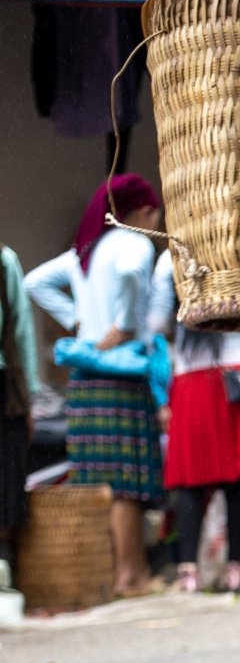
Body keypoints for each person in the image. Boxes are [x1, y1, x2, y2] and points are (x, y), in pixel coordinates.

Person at [27, 175, 167, 597]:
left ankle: (124, 572)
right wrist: (123, 325)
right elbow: (130, 273)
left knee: (103, 480)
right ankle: (130, 576)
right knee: (126, 482)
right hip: (122, 376)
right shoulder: (134, 243)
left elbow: (35, 282)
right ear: (141, 211)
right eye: (155, 213)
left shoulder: (84, 251)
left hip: (86, 376)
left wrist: (79, 322)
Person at [149, 252, 240, 593]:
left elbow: (156, 324)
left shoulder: (172, 254)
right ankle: (235, 570)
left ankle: (188, 573)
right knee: (238, 482)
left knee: (192, 481)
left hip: (194, 379)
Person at [0, 245, 40, 580]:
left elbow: (21, 328)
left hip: (4, 390)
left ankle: (5, 575)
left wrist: (27, 397)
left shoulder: (4, 259)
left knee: (6, 486)